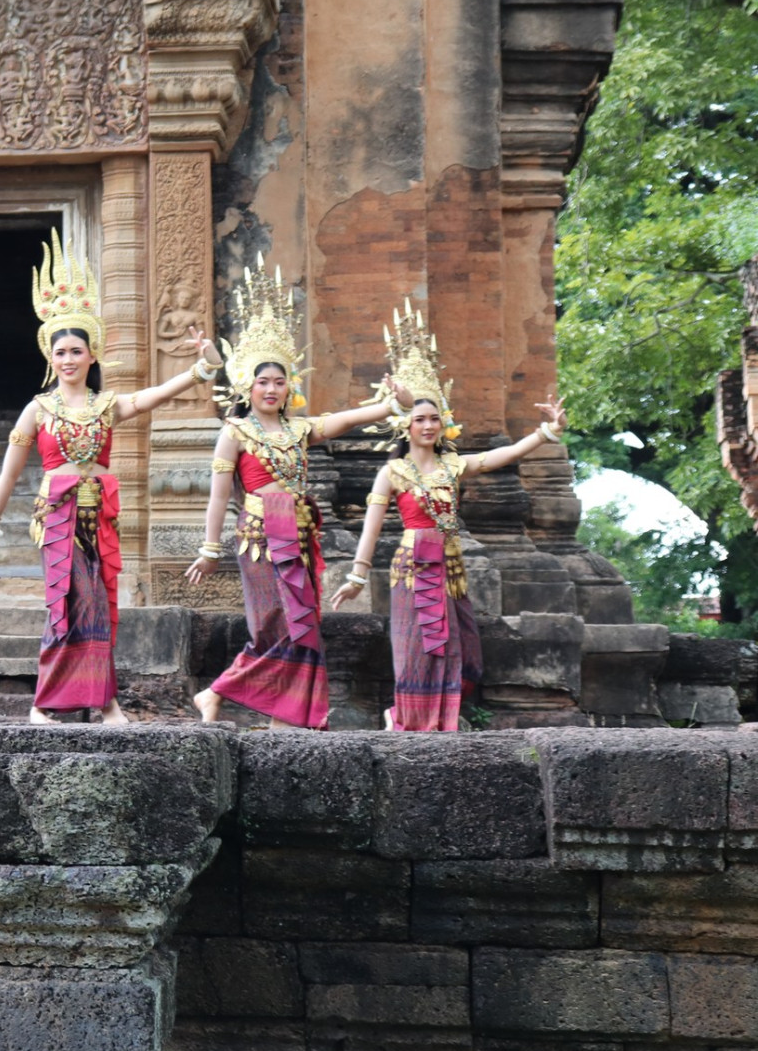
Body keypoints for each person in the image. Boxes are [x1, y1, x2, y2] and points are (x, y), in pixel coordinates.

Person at [0, 234, 225, 723]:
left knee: (100, 603)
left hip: (99, 514)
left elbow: (153, 396)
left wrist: (200, 368)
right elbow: (9, 473)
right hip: (57, 519)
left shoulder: (107, 405)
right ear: (50, 358)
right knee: (70, 601)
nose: (69, 360)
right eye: (61, 353)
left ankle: (105, 702)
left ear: (92, 356)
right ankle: (46, 702)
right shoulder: (36, 411)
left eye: (77, 351)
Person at [186, 259, 412, 730]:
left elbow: (347, 419)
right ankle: (217, 692)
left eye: (279, 381)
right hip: (259, 535)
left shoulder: (299, 430)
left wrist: (391, 404)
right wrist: (210, 548)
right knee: (272, 624)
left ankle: (285, 714)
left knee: (304, 622)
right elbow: (217, 495)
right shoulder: (235, 431)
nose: (271, 388)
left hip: (301, 534)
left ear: (290, 387)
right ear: (247, 385)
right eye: (263, 381)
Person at [330, 303, 570, 730]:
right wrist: (356, 576)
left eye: (434, 417)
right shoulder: (392, 472)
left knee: (455, 646)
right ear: (406, 426)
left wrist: (545, 433)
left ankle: (442, 719)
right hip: (411, 564)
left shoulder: (453, 465)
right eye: (419, 418)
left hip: (451, 566)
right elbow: (370, 528)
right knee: (415, 644)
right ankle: (403, 715)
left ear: (443, 423)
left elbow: (502, 456)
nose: (427, 425)